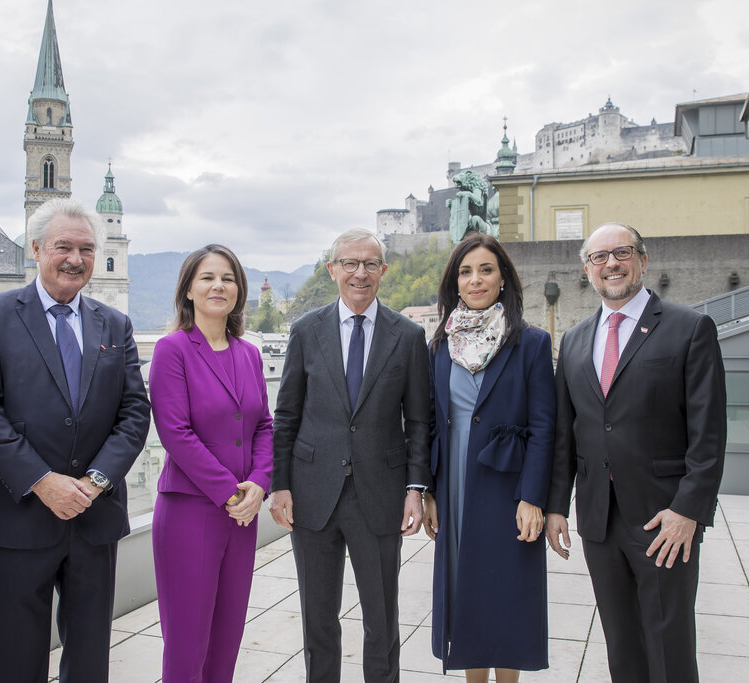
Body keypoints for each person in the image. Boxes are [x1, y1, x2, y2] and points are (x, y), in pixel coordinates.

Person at [0, 198, 150, 683]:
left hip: (94, 515)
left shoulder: (115, 323)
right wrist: (43, 481)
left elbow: (134, 412)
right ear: (37, 249)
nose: (76, 258)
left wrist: (96, 481)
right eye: (64, 246)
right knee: (14, 657)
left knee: (89, 660)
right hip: (17, 515)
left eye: (87, 249)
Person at [546, 222, 726, 682]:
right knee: (621, 645)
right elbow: (569, 434)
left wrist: (688, 510)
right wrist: (556, 507)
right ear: (587, 270)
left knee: (669, 646)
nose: (611, 264)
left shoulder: (690, 329)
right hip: (599, 521)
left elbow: (708, 434)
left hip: (663, 520)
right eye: (598, 257)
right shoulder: (574, 340)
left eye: (621, 253)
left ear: (642, 261)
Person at [269, 228, 430, 683]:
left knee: (381, 620)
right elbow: (287, 416)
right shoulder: (306, 331)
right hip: (312, 494)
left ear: (383, 270)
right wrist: (280, 484)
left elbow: (419, 422)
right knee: (318, 618)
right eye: (350, 264)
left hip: (380, 497)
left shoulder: (409, 335)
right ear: (332, 270)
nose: (360, 273)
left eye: (370, 264)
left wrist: (416, 488)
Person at [421, 233, 555, 682]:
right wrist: (430, 492)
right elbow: (434, 424)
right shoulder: (440, 345)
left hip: (508, 487)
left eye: (486, 270)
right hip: (455, 486)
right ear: (454, 282)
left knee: (507, 595)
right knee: (465, 597)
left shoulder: (530, 343)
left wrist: (533, 497)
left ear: (503, 279)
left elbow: (543, 427)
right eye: (465, 271)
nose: (475, 279)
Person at [148, 244, 273, 682]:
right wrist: (230, 490)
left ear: (239, 291)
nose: (219, 286)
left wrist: (259, 482)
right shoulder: (172, 350)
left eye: (228, 278)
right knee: (187, 644)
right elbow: (175, 433)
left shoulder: (250, 354)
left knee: (227, 639)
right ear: (188, 290)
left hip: (242, 515)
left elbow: (263, 427)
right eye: (207, 277)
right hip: (190, 513)